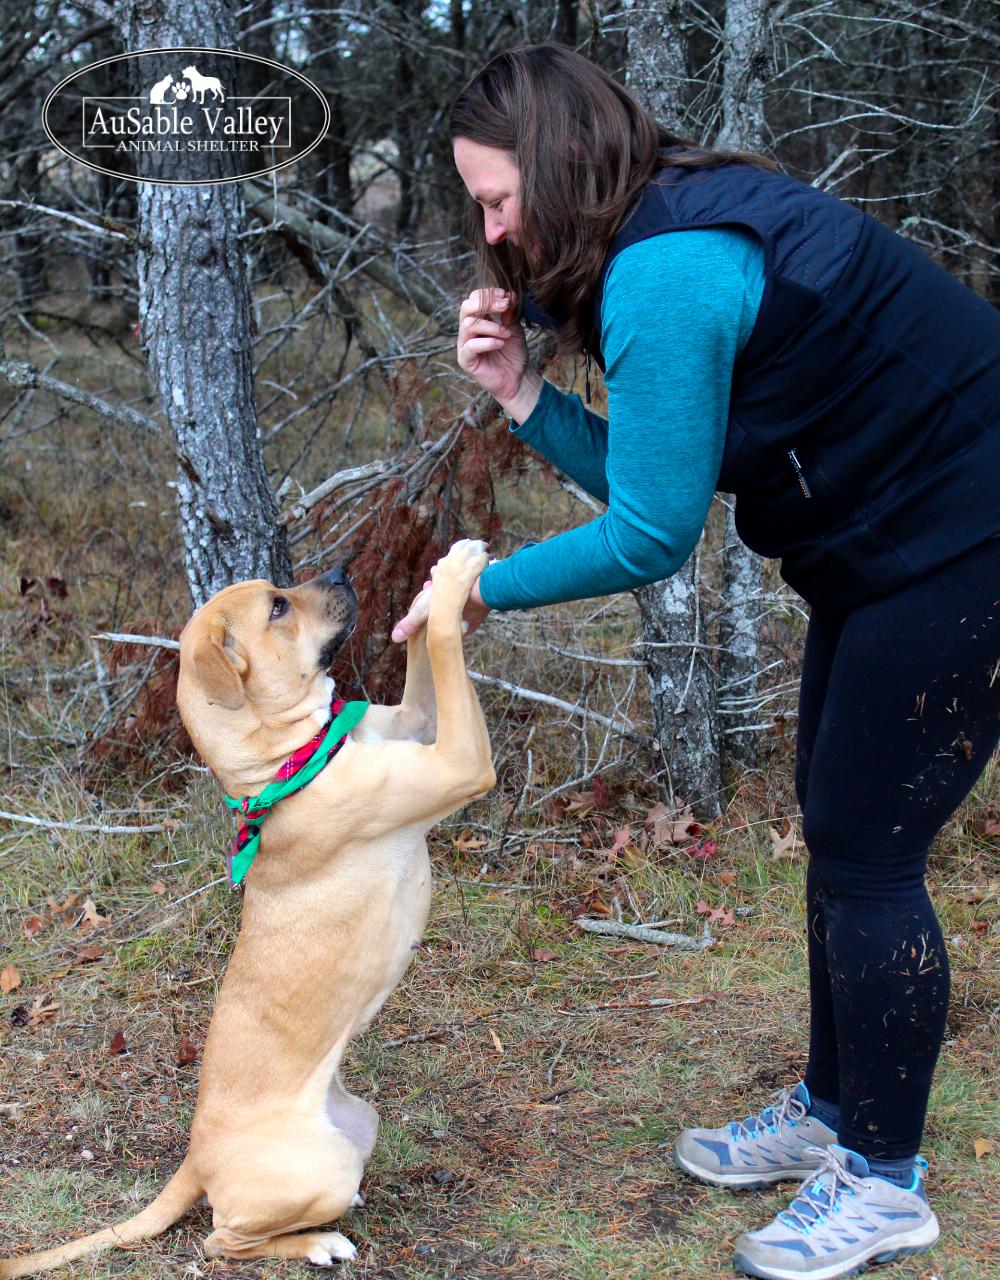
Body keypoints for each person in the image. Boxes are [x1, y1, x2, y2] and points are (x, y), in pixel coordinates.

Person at [390, 43, 1000, 1280]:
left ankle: (883, 1183)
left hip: (970, 536)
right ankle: (834, 1112)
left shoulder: (667, 270)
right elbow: (658, 478)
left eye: (500, 199)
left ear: (561, 172)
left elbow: (652, 537)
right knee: (840, 831)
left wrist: (474, 588)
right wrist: (521, 394)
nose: (492, 233)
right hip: (898, 548)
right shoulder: (660, 235)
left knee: (870, 854)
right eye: (478, 207)